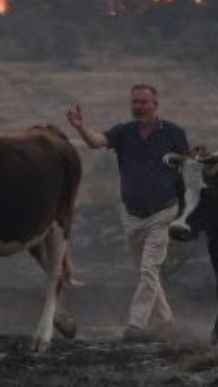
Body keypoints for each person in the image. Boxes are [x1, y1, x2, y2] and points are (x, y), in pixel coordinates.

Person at [67, 84, 190, 342]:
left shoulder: (174, 134)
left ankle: (135, 326)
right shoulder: (124, 133)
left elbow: (187, 167)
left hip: (163, 213)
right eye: (135, 102)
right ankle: (167, 322)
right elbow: (96, 142)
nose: (138, 106)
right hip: (132, 215)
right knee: (146, 273)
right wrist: (80, 127)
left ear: (155, 105)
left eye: (144, 102)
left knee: (148, 270)